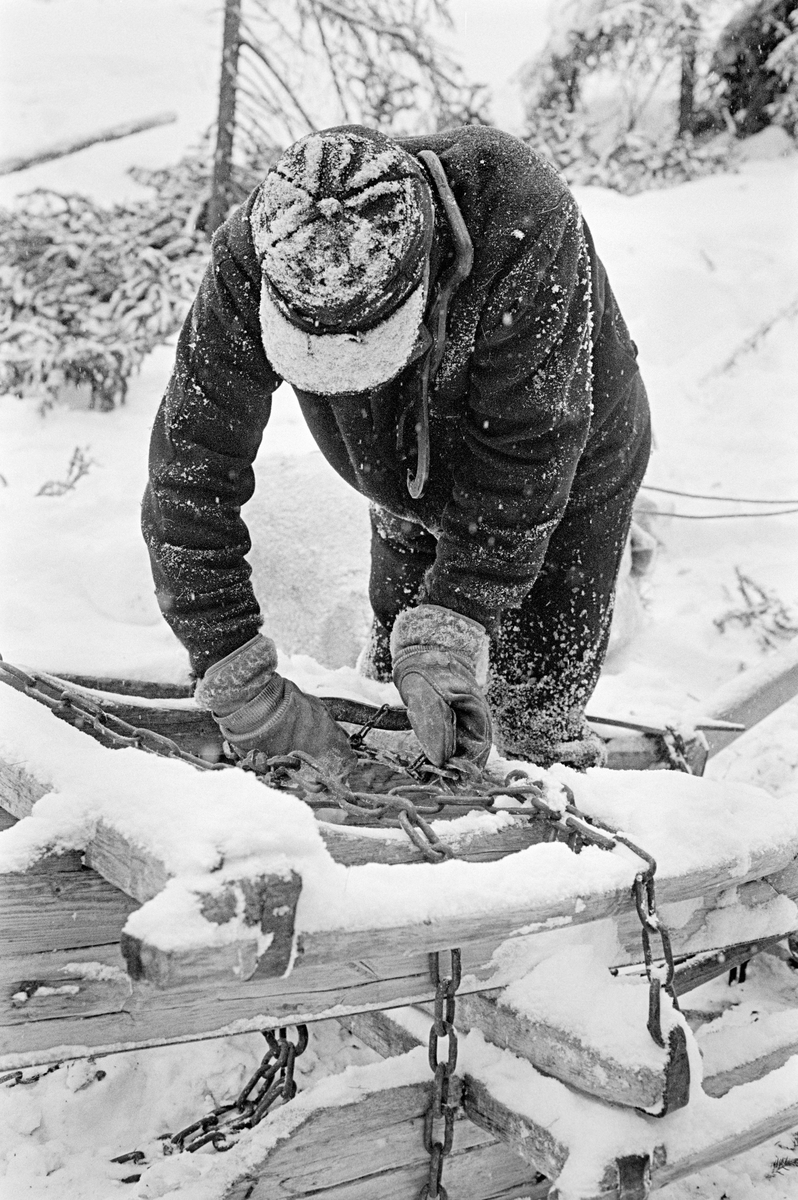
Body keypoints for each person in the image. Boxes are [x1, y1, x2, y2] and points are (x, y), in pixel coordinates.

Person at [142, 124, 650, 774]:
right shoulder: (268, 250)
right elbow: (189, 478)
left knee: (528, 702)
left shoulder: (521, 218)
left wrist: (456, 617)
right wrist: (235, 676)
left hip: (565, 463)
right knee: (391, 688)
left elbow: (528, 458)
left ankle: (548, 788)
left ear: (427, 277)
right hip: (401, 472)